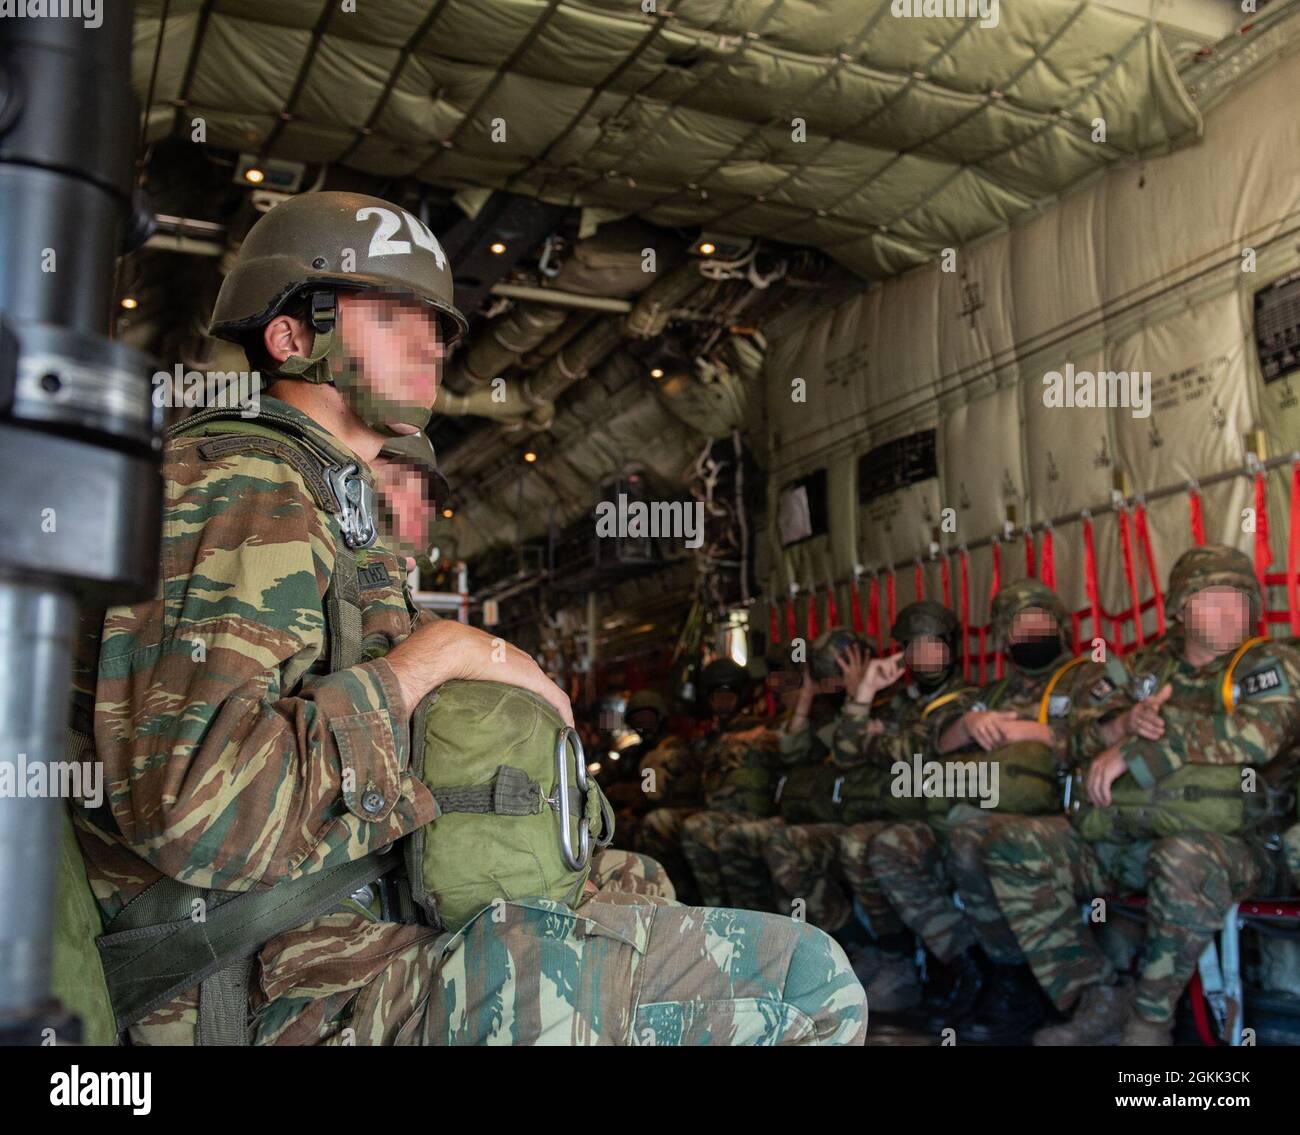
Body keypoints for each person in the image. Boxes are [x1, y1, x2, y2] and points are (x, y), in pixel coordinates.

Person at [68, 191, 865, 1046]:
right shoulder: (246, 484)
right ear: (292, 336)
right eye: (391, 316)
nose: (431, 345)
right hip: (261, 977)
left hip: (343, 915)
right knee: (804, 981)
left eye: (438, 326)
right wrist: (434, 657)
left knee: (631, 880)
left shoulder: (328, 503)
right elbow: (198, 810)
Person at [982, 545, 1300, 1045]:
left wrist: (1141, 753)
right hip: (1125, 837)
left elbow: (1260, 737)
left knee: (1182, 858)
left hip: (1241, 846)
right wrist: (1123, 726)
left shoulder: (1268, 663)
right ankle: (1096, 998)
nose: (1229, 611)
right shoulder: (1143, 669)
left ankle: (1148, 1022)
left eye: (1240, 598)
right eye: (1212, 598)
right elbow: (1073, 738)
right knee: (1016, 843)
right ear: (1179, 608)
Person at [865, 579, 1100, 1042]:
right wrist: (971, 724)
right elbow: (937, 742)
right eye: (1019, 625)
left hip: (1058, 818)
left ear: (1060, 627)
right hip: (975, 810)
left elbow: (1103, 738)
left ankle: (1030, 985)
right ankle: (974, 965)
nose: (1031, 632)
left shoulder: (1088, 678)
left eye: (1041, 622)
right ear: (1002, 638)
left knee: (974, 841)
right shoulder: (989, 694)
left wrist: (1034, 734)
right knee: (889, 847)